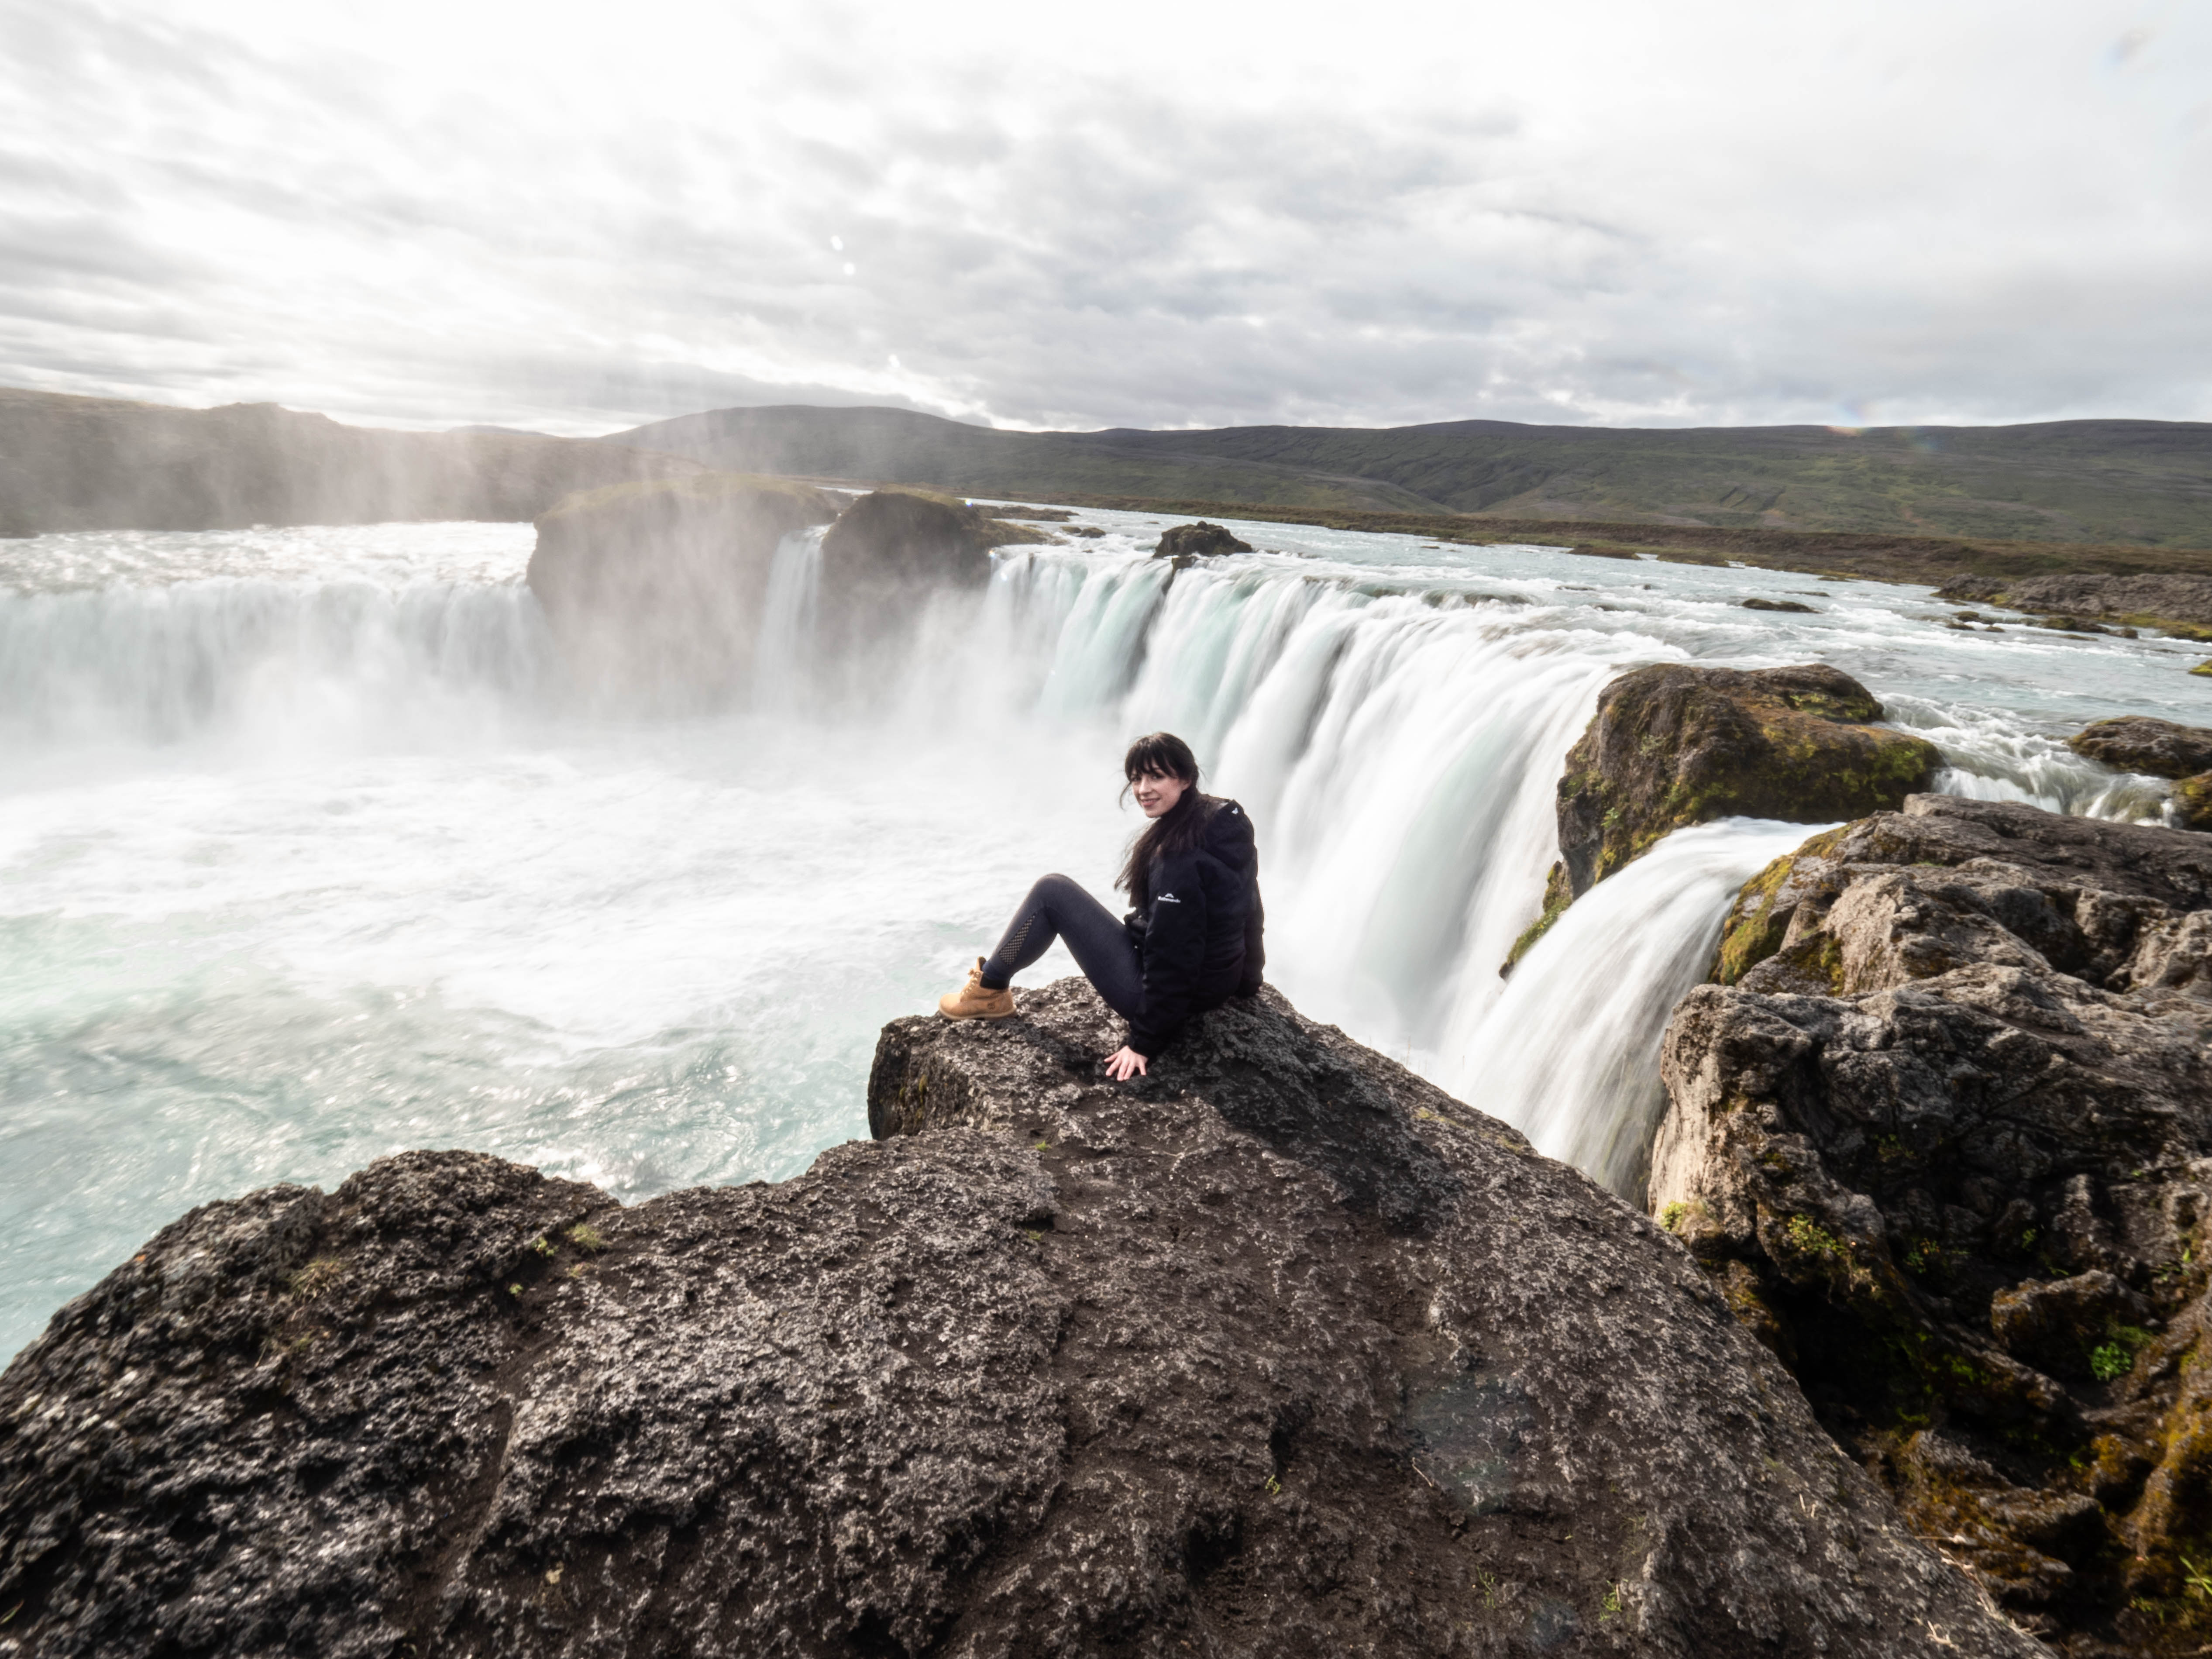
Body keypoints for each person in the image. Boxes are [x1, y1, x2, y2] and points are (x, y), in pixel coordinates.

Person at [937, 732, 1265, 1079]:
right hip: (1218, 982)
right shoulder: (1224, 820)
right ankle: (991, 985)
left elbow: (1174, 956)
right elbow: (1250, 906)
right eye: (1136, 778)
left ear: (1185, 778)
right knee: (1056, 891)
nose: (1142, 790)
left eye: (1156, 776)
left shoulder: (1177, 860)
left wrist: (1143, 1042)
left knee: (1052, 893)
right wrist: (1247, 981)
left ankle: (989, 990)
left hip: (1166, 997)